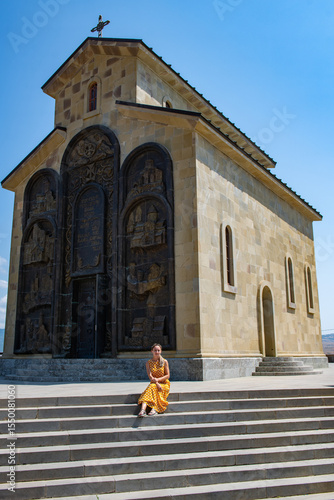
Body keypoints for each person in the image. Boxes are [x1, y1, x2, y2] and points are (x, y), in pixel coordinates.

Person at [137, 343, 170, 416]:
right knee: (152, 387)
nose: (157, 352)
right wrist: (157, 383)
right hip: (154, 383)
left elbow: (167, 375)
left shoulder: (164, 362)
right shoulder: (148, 363)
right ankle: (143, 410)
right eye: (155, 350)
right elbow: (150, 376)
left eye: (158, 350)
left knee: (153, 388)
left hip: (164, 383)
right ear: (152, 351)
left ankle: (154, 408)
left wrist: (157, 381)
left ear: (161, 351)